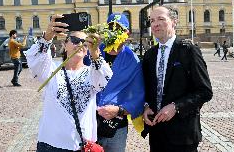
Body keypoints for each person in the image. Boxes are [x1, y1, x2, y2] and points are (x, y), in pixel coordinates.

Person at [26, 14, 113, 152]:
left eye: (85, 42)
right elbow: (34, 61)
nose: (80, 44)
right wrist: (47, 37)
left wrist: (95, 53)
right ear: (64, 44)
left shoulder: (92, 73)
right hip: (50, 145)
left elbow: (104, 78)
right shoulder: (51, 69)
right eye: (74, 40)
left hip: (81, 146)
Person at [142, 6, 213, 152]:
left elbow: (204, 91)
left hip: (183, 134)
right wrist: (146, 106)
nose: (155, 24)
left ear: (174, 22)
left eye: (161, 19)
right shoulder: (149, 55)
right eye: (152, 20)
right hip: (157, 133)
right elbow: (147, 88)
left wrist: (176, 107)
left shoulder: (188, 51)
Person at [96, 13, 145, 152]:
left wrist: (119, 110)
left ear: (127, 33)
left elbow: (138, 95)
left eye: (119, 29)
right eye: (111, 28)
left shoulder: (132, 60)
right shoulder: (93, 52)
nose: (114, 32)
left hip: (116, 126)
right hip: (90, 122)